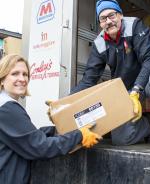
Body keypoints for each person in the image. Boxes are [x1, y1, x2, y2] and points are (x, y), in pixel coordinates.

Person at [71, 0, 150, 152]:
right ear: (100, 23)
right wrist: (66, 102)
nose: (108, 21)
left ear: (120, 15)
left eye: (112, 15)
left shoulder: (135, 26)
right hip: (125, 90)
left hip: (146, 82)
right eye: (103, 19)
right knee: (120, 139)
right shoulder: (99, 43)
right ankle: (147, 124)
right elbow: (88, 80)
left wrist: (137, 90)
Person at [0, 54, 101, 184]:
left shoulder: (5, 104)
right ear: (2, 79)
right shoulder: (8, 108)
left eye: (25, 74)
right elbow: (40, 147)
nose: (22, 79)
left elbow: (24, 137)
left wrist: (56, 130)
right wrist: (79, 135)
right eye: (15, 74)